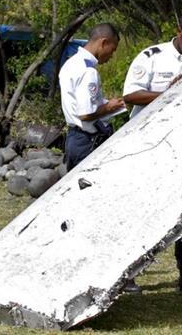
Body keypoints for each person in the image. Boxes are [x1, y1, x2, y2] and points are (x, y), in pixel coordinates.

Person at [122, 11, 182, 294]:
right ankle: (127, 275)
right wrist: (169, 94)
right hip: (147, 145)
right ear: (179, 31)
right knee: (139, 212)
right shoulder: (152, 57)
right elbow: (131, 96)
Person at [59, 23, 141, 294]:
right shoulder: (88, 71)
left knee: (79, 209)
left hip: (75, 140)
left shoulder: (70, 63)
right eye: (113, 50)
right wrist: (113, 106)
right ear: (103, 42)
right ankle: (106, 273)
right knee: (102, 209)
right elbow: (86, 112)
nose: (111, 56)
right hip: (87, 142)